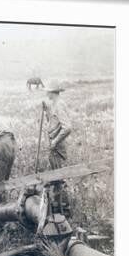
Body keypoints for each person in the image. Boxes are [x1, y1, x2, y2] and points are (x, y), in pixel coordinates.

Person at [43, 86, 72, 214]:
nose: (46, 92)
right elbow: (55, 123)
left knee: (59, 177)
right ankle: (57, 207)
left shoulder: (59, 105)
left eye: (47, 90)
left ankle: (64, 210)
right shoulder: (55, 104)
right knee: (55, 178)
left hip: (57, 147)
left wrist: (55, 142)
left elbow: (67, 127)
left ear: (52, 92)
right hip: (54, 145)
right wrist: (47, 112)